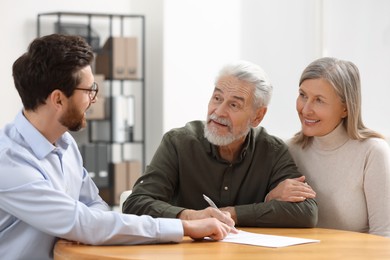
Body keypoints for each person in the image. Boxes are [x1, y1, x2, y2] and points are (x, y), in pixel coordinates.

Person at [0, 34, 233, 260]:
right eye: (90, 90)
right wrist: (185, 227)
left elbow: (93, 205)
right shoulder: (8, 162)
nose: (94, 99)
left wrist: (92, 230)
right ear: (58, 99)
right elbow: (81, 221)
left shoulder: (65, 142)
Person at [122, 60, 318, 228]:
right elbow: (135, 204)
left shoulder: (272, 150)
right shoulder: (178, 142)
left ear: (257, 116)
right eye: (217, 98)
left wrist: (231, 213)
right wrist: (192, 216)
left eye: (234, 105)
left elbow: (306, 212)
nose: (218, 112)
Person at [286, 57, 390, 237]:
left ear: (345, 108)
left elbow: (384, 234)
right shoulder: (289, 150)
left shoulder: (372, 152)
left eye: (319, 100)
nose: (305, 109)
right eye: (303, 95)